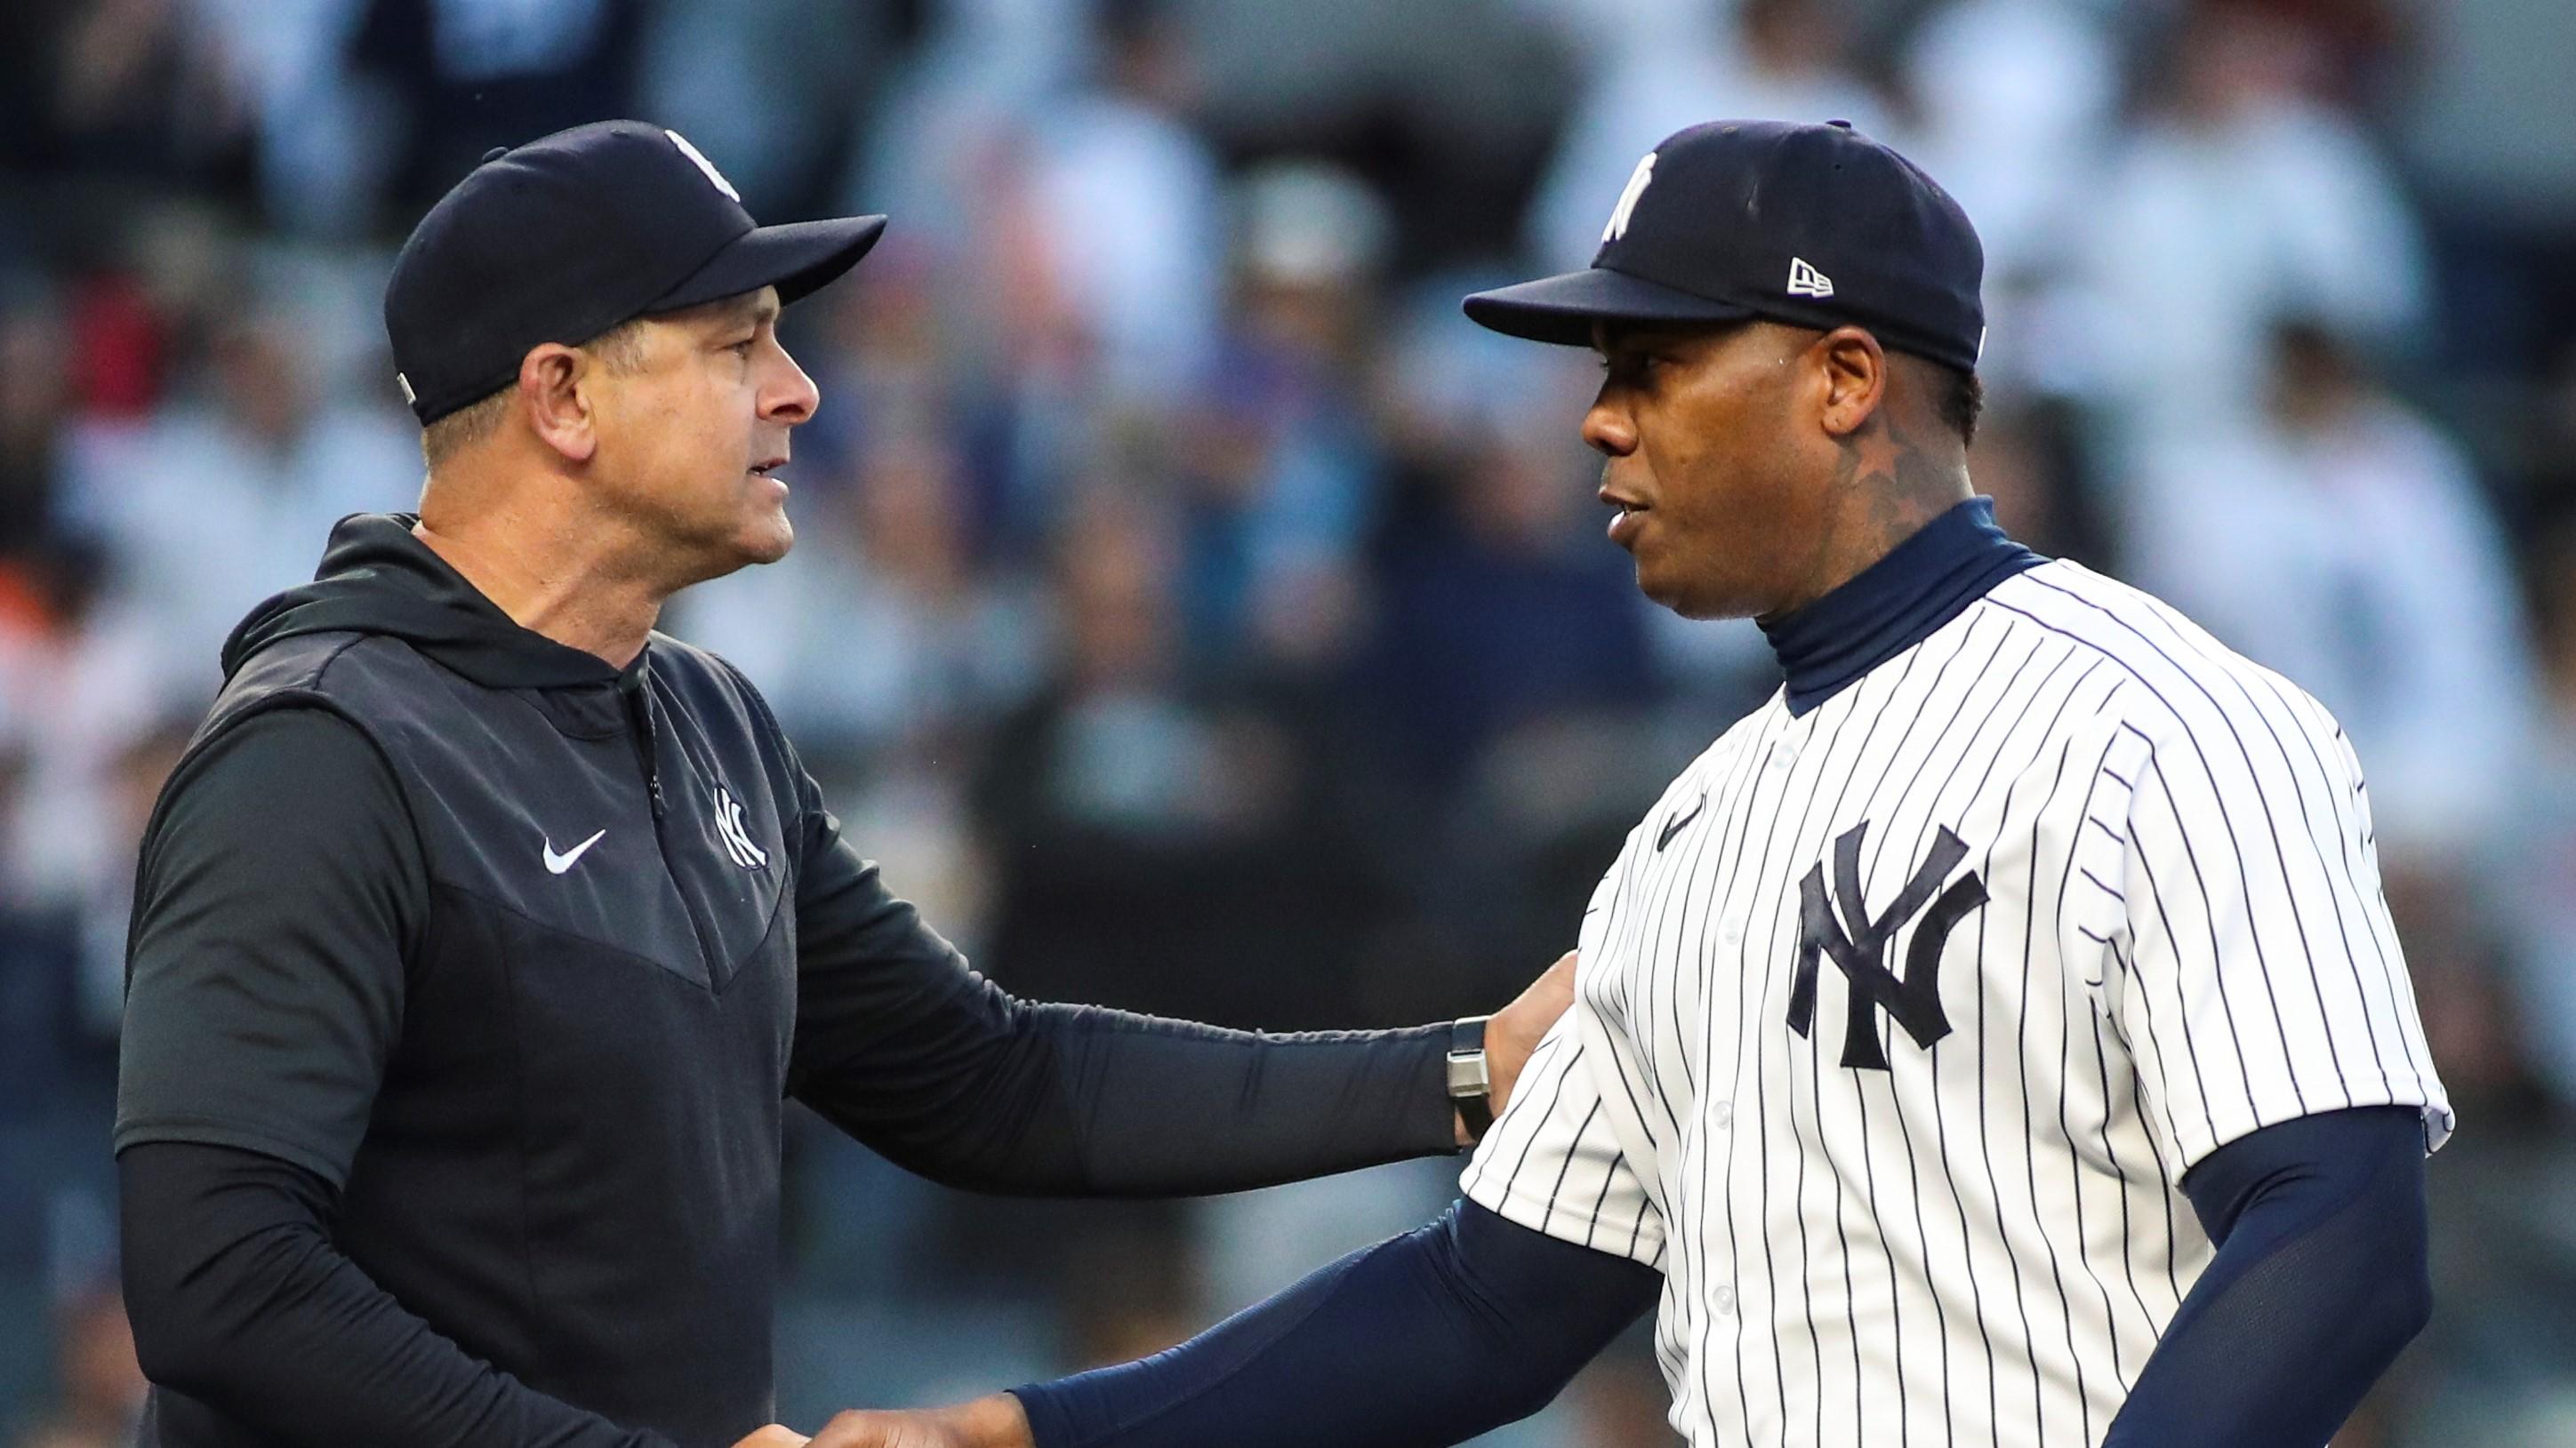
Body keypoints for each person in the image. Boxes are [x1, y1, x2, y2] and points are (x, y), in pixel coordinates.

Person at [813, 119, 2454, 1448]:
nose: (1595, 420)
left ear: (1841, 378)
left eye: (1652, 364)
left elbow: (2337, 1224)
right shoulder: (1690, 832)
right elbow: (1485, 1305)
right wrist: (1030, 1435)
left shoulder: (2161, 722)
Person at [111, 120, 1576, 1448]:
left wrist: (1464, 1070)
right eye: (737, 341)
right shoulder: (319, 749)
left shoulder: (705, 719)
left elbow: (993, 1077)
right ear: (562, 396)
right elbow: (219, 1279)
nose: (800, 391)